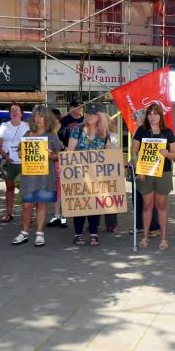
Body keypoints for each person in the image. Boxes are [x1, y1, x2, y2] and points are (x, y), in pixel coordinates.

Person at [67, 103, 117, 247]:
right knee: (80, 204)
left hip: (97, 175)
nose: (90, 116)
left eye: (94, 114)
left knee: (95, 204)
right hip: (79, 173)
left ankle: (94, 233)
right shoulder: (78, 129)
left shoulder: (104, 132)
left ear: (99, 116)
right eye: (88, 113)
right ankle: (78, 234)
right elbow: (70, 151)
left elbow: (108, 152)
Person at [12, 105, 62, 247]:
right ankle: (24, 232)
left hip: (45, 176)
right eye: (36, 116)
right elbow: (20, 152)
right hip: (29, 176)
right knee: (27, 205)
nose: (38, 119)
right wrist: (22, 153)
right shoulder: (28, 134)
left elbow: (59, 156)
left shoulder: (52, 135)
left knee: (41, 204)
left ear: (47, 118)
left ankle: (40, 234)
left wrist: (50, 155)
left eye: (41, 116)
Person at [133, 103, 175, 251]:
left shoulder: (168, 133)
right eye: (150, 114)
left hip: (163, 172)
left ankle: (164, 238)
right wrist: (139, 170)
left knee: (161, 205)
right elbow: (134, 153)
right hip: (145, 172)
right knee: (147, 205)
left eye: (155, 114)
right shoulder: (141, 131)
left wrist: (167, 154)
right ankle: (145, 237)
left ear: (160, 115)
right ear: (147, 116)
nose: (152, 117)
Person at [0, 102, 29, 223]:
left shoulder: (27, 126)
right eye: (12, 110)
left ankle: (27, 215)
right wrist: (5, 156)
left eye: (17, 110)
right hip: (8, 162)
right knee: (9, 188)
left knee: (24, 189)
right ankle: (9, 213)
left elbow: (34, 143)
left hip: (23, 163)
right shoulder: (3, 126)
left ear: (21, 113)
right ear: (9, 114)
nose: (15, 112)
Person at [130, 109, 160, 236]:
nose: (134, 121)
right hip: (137, 167)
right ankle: (139, 225)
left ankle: (154, 227)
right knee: (137, 199)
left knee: (149, 199)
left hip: (148, 168)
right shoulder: (137, 131)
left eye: (135, 119)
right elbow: (134, 152)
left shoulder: (147, 131)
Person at [47, 108, 68, 229]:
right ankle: (56, 216)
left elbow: (68, 150)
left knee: (64, 191)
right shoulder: (48, 133)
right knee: (55, 191)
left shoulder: (65, 131)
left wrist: (60, 144)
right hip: (51, 165)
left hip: (63, 165)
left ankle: (64, 217)